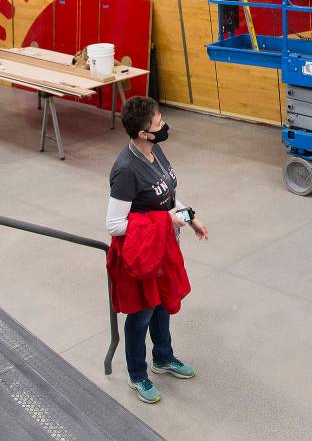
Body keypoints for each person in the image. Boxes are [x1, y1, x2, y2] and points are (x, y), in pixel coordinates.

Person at [107, 96, 208, 404]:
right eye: (158, 123)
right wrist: (165, 221)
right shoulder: (126, 170)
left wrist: (189, 217)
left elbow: (168, 197)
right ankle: (137, 374)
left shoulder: (155, 150)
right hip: (141, 255)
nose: (164, 125)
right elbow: (114, 225)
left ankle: (163, 357)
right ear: (143, 133)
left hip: (164, 247)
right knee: (142, 313)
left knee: (163, 303)